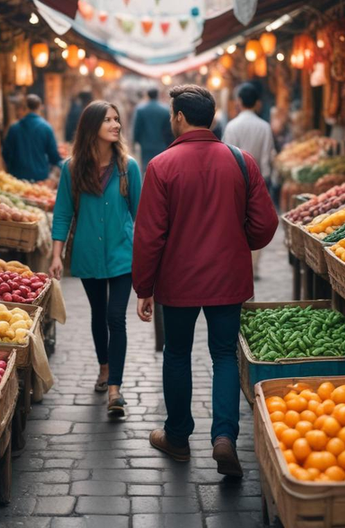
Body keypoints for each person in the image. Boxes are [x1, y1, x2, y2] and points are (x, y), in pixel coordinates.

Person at [133, 85, 278, 477]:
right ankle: (225, 438)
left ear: (179, 117)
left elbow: (149, 236)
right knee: (224, 355)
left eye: (171, 114)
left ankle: (178, 438)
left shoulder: (161, 166)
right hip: (228, 279)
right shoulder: (240, 161)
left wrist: (143, 287)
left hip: (177, 282)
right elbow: (266, 223)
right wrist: (239, 243)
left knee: (177, 354)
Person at [50, 101, 142, 417]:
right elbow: (62, 213)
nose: (116, 125)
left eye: (117, 119)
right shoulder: (72, 168)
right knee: (98, 313)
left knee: (116, 317)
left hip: (122, 254)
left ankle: (114, 388)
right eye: (108, 120)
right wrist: (56, 255)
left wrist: (148, 258)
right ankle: (104, 367)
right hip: (88, 253)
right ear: (92, 128)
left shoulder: (128, 167)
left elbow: (141, 215)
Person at [223, 82, 276, 279]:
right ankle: (254, 266)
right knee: (255, 223)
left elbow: (226, 156)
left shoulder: (232, 126)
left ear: (239, 102)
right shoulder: (264, 126)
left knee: (236, 224)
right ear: (257, 103)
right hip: (259, 180)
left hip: (235, 183)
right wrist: (266, 179)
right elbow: (267, 157)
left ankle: (239, 263)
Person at [2, 94, 62, 182]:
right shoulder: (46, 127)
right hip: (40, 178)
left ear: (25, 108)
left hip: (17, 178)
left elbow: (6, 153)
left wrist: (11, 168)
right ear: (40, 107)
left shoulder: (14, 128)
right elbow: (53, 156)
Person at [132, 87, 174, 173]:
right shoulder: (165, 110)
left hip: (146, 145)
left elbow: (137, 128)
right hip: (162, 144)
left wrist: (135, 141)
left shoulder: (140, 109)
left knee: (146, 168)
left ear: (148, 95)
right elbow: (169, 129)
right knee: (161, 169)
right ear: (157, 95)